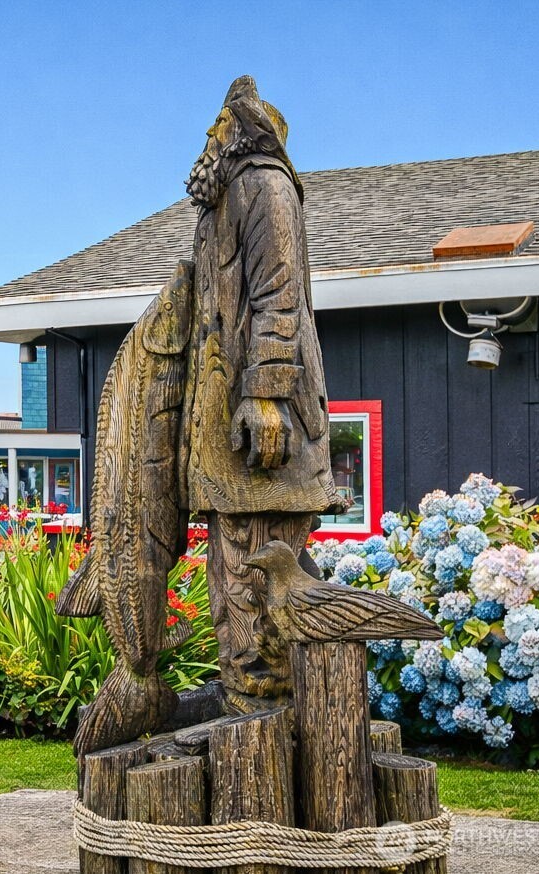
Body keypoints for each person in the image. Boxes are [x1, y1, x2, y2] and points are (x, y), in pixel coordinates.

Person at [181, 76, 339, 706]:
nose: (208, 137)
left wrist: (266, 394)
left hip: (265, 425)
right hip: (227, 418)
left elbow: (279, 293)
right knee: (235, 561)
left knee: (262, 559)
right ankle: (243, 690)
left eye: (218, 127)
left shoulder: (265, 185)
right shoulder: (225, 201)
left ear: (240, 133)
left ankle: (268, 700)